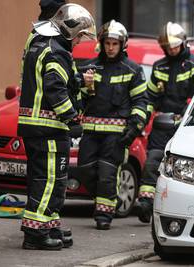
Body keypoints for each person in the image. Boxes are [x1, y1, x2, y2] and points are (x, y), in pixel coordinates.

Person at [18, 3, 96, 250]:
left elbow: (57, 81)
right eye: (80, 36)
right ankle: (35, 234)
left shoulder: (39, 44)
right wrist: (72, 118)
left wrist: (78, 81)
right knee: (51, 180)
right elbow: (55, 89)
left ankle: (48, 225)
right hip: (49, 128)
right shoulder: (57, 51)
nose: (79, 41)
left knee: (44, 178)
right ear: (71, 31)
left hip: (36, 127)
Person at [76, 20, 148, 230]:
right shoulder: (90, 68)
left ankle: (104, 215)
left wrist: (134, 128)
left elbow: (141, 101)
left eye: (115, 44)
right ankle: (108, 199)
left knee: (107, 174)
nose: (110, 47)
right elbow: (79, 100)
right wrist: (84, 86)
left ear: (122, 44)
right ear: (102, 43)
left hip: (116, 135)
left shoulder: (133, 70)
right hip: (90, 132)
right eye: (107, 43)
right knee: (85, 171)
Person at [136, 22, 194, 223]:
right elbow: (150, 97)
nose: (171, 50)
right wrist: (140, 120)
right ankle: (145, 202)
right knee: (152, 162)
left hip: (186, 128)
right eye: (167, 47)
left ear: (184, 43)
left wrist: (189, 113)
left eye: (174, 46)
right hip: (162, 126)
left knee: (184, 169)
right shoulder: (160, 66)